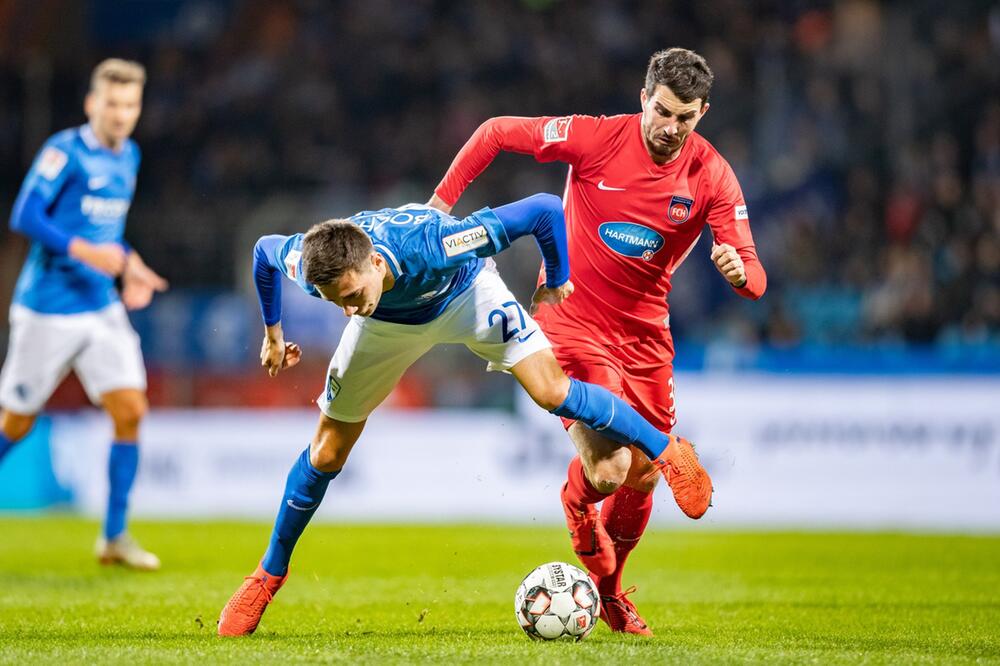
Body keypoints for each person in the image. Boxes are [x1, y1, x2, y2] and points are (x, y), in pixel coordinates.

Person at [217, 193, 711, 636]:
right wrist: (273, 334)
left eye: (348, 296)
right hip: (387, 325)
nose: (345, 310)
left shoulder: (435, 243)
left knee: (550, 389)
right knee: (326, 452)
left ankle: (668, 451)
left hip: (466, 296)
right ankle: (266, 577)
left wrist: (557, 279)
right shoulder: (315, 268)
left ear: (371, 260)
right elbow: (263, 249)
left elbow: (543, 209)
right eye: (333, 302)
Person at [428, 47, 766, 635]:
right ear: (643, 97)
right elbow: (494, 132)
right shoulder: (595, 138)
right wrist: (439, 204)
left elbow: (756, 279)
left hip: (645, 338)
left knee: (644, 476)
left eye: (685, 118)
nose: (670, 127)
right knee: (609, 470)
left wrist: (739, 271)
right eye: (661, 111)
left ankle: (609, 592)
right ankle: (578, 503)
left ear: (702, 113)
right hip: (571, 321)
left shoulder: (711, 174)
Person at [0, 59, 168, 570]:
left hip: (101, 307)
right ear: (92, 104)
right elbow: (25, 214)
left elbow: (107, 233)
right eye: (113, 103)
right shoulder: (63, 151)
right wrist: (83, 251)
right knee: (17, 422)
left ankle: (114, 536)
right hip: (48, 308)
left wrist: (130, 265)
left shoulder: (130, 157)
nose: (121, 114)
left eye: (130, 104)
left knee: (130, 409)